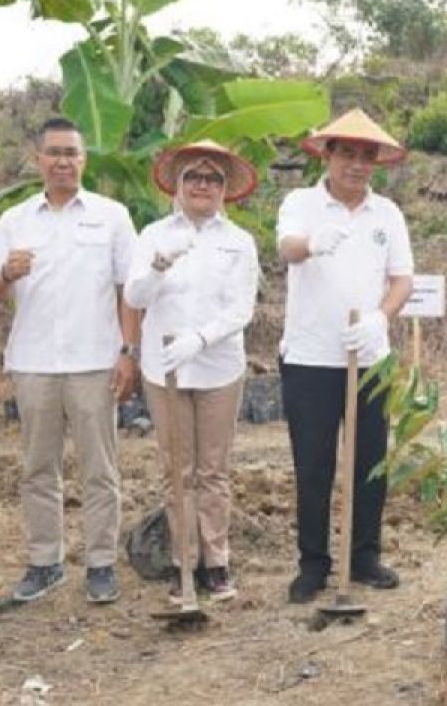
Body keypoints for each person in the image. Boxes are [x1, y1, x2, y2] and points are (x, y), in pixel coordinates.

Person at [0, 117, 139, 604]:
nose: (63, 161)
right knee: (38, 468)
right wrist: (7, 273)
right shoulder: (14, 221)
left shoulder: (111, 216)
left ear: (84, 159)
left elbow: (129, 291)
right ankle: (45, 562)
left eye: (72, 152)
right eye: (54, 152)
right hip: (33, 362)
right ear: (38, 159)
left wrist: (128, 352)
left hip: (95, 360)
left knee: (100, 468)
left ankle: (101, 564)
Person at [277, 108, 414, 604]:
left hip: (370, 356)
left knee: (369, 461)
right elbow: (287, 247)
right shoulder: (300, 202)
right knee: (313, 465)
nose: (356, 165)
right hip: (311, 358)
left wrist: (381, 317)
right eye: (347, 154)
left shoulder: (388, 214)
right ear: (328, 155)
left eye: (366, 156)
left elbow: (402, 278)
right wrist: (313, 243)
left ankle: (364, 556)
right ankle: (313, 564)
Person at [124, 141, 259, 603]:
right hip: (166, 371)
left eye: (213, 179)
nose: (203, 186)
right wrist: (160, 265)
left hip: (218, 367)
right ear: (179, 186)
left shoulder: (238, 242)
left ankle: (216, 562)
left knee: (213, 469)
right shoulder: (153, 234)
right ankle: (185, 561)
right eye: (194, 178)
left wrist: (199, 339)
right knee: (176, 469)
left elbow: (241, 308)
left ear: (225, 190)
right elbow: (135, 298)